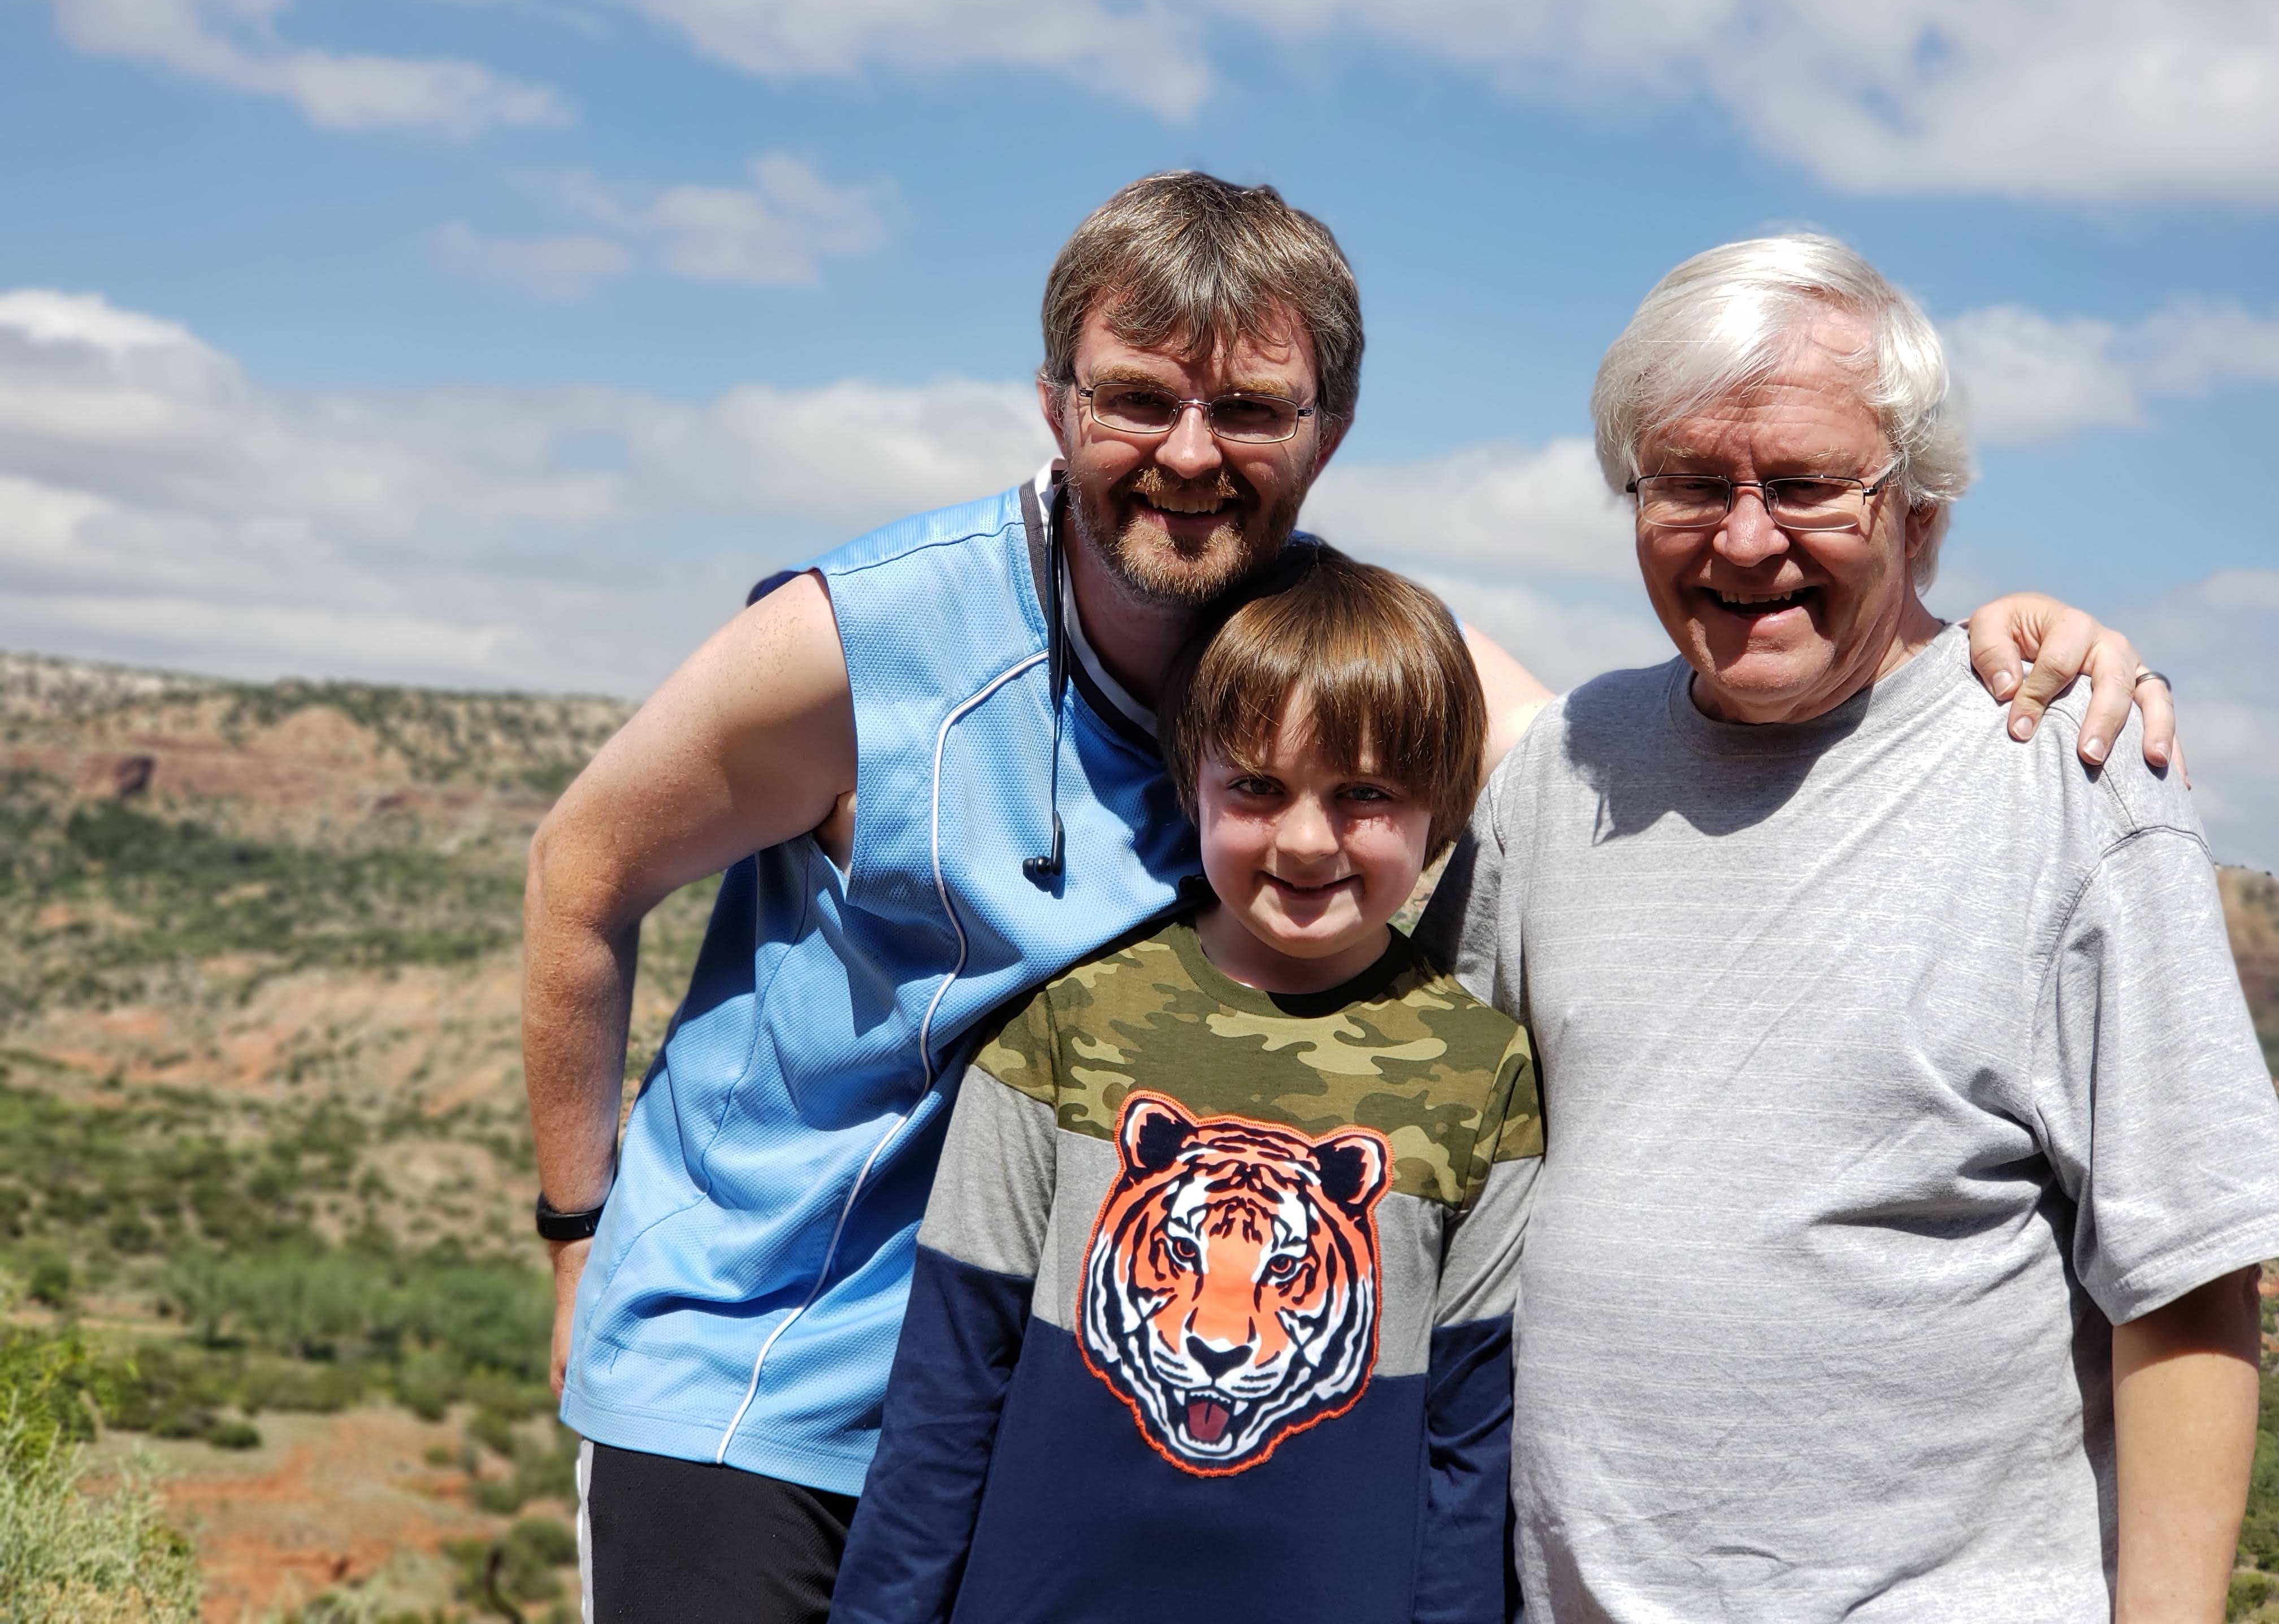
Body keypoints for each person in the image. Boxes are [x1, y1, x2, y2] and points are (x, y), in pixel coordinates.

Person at [521, 173, 2168, 1623]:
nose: (1189, 452)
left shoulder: (1359, 669)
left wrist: (1970, 649)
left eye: (1248, 408)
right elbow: (578, 878)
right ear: (1054, 402)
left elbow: (1643, 769)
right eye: (1137, 398)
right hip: (753, 1385)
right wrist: (578, 1241)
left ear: (1328, 430)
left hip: (1072, 1407)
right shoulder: (867, 643)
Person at [1420, 233, 2279, 1622]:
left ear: (1919, 509)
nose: (1744, 539)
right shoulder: (1566, 772)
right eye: (1690, 484)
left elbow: (2187, 1282)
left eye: (1807, 485)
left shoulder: (2069, 776)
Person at [829, 543, 1538, 1624]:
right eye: (1257, 787)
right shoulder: (1063, 1025)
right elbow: (948, 1386)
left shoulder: (1481, 1074)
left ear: (1438, 803)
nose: (1307, 839)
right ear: (1189, 781)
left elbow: (1471, 1448)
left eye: (1364, 794)